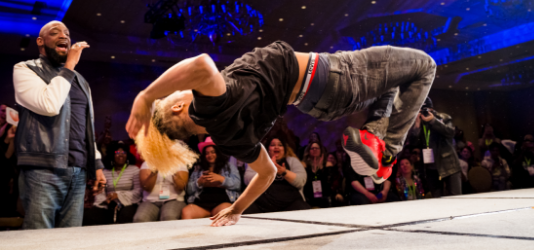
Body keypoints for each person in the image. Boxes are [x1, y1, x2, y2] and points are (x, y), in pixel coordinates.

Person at [126, 41, 436, 226]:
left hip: (320, 104)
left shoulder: (228, 138)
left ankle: (374, 137)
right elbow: (202, 65)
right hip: (332, 76)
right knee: (424, 66)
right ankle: (388, 150)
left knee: (396, 86)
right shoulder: (210, 102)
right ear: (179, 106)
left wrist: (237, 209)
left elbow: (267, 171)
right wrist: (145, 97)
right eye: (176, 93)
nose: (181, 89)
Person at [13, 21, 106, 229]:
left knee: (70, 239)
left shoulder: (81, 81)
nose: (63, 36)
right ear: (40, 41)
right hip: (43, 170)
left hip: (78, 171)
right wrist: (69, 65)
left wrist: (96, 165)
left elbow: (87, 129)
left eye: (67, 33)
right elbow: (50, 106)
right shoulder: (25, 69)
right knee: (39, 239)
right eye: (55, 33)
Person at [409, 97, 461, 198]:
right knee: (437, 201)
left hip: (449, 165)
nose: (423, 112)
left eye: (425, 109)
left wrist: (433, 121)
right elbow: (413, 144)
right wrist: (416, 127)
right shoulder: (419, 122)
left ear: (431, 109)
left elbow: (450, 133)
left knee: (456, 198)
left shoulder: (444, 117)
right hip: (430, 168)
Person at [243, 137, 309, 214]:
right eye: (273, 145)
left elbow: (301, 181)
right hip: (262, 203)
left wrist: (284, 172)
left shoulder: (292, 160)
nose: (276, 147)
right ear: (268, 149)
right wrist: (267, 169)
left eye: (280, 145)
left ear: (284, 149)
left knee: (304, 211)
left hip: (290, 203)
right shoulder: (259, 161)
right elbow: (247, 179)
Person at [182, 137, 241, 220]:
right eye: (207, 153)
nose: (209, 155)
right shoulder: (198, 168)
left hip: (222, 201)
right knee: (186, 212)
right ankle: (190, 233)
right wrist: (199, 182)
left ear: (218, 153)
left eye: (213, 152)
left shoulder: (229, 166)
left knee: (227, 211)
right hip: (202, 202)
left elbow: (237, 185)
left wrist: (221, 179)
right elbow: (188, 190)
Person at [83, 141, 141, 225]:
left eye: (123, 152)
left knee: (125, 215)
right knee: (89, 216)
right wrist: (105, 200)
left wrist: (118, 195)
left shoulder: (134, 170)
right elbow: (100, 192)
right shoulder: (105, 172)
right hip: (109, 205)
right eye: (117, 152)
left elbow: (138, 191)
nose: (121, 154)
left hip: (129, 204)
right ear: (112, 155)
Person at [0, 104, 18, 217]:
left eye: (6, 111)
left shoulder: (10, 128)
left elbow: (7, 155)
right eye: (2, 110)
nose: (4, 113)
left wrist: (7, 139)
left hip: (6, 168)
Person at [302, 140, 331, 208]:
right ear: (309, 151)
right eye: (312, 148)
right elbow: (307, 184)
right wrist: (314, 171)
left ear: (321, 150)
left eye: (317, 148)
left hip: (325, 195)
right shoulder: (304, 165)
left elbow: (328, 184)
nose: (314, 149)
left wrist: (320, 169)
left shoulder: (328, 165)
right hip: (309, 196)